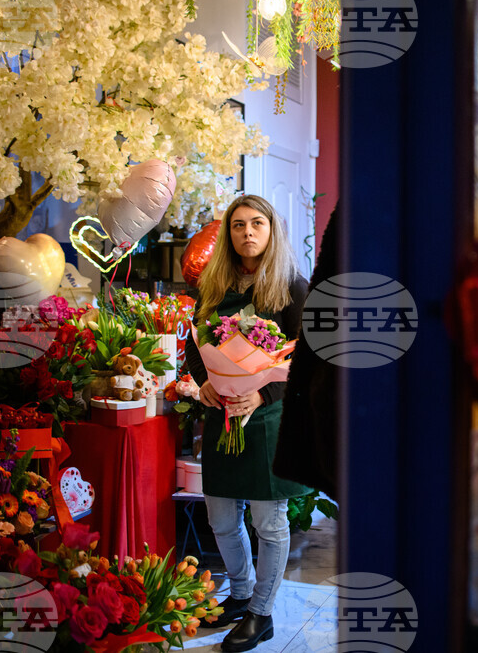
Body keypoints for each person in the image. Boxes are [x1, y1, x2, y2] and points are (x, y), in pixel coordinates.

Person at [184, 194, 310, 653]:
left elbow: (308, 358)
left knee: (268, 524)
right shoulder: (214, 285)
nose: (247, 232)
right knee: (220, 518)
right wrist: (204, 382)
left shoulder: (293, 287)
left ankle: (262, 611)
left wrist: (262, 393)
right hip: (222, 416)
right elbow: (194, 344)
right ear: (229, 234)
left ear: (271, 230)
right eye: (238, 225)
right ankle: (239, 594)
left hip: (269, 419)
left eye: (257, 223)